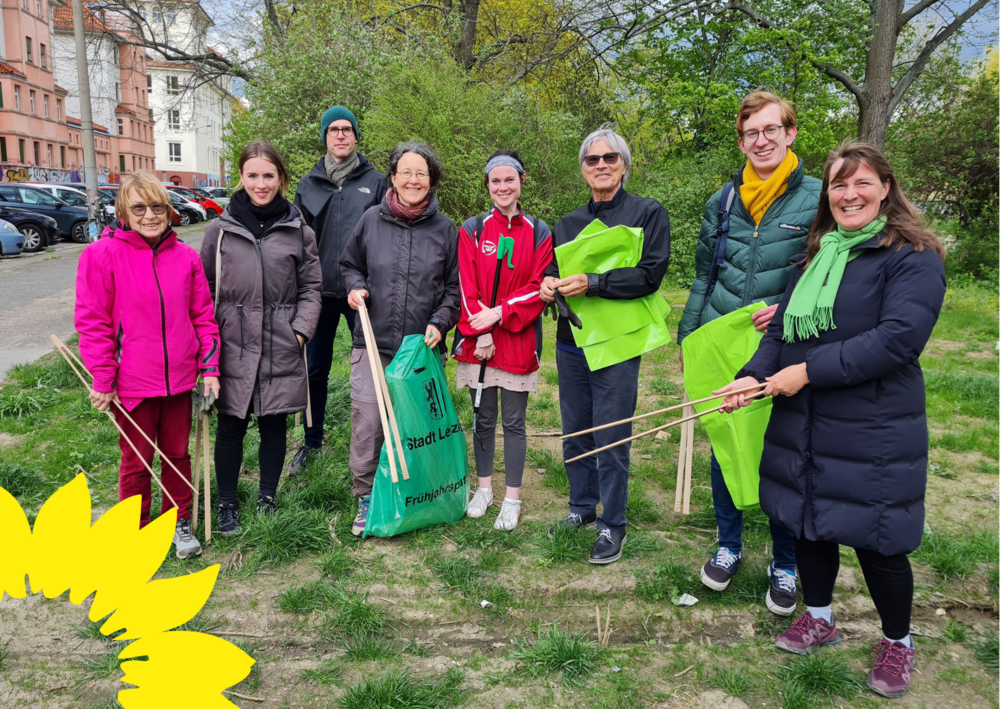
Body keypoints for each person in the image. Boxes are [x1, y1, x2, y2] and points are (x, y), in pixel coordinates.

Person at [716, 140, 946, 698]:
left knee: (878, 538)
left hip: (874, 424)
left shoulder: (912, 256)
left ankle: (898, 641)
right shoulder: (817, 257)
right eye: (840, 185)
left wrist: (808, 372)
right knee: (808, 519)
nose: (850, 194)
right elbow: (783, 332)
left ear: (887, 188)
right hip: (806, 420)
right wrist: (753, 375)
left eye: (862, 182)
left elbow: (897, 341)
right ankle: (818, 615)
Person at [677, 91, 821, 614]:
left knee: (782, 452)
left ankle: (785, 563)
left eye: (770, 130)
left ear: (790, 134)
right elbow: (702, 275)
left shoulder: (818, 199)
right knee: (725, 442)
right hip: (720, 339)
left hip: (784, 345)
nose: (761, 140)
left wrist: (783, 307)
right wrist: (688, 337)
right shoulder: (724, 201)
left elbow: (827, 277)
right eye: (751, 133)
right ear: (741, 140)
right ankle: (729, 544)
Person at [540, 125, 670, 565]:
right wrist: (549, 288)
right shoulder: (567, 224)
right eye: (592, 160)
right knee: (576, 430)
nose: (601, 166)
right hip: (571, 342)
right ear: (582, 170)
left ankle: (612, 522)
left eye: (609, 158)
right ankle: (581, 507)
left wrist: (594, 282)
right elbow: (555, 279)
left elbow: (650, 275)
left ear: (624, 166)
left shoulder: (648, 213)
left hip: (617, 344)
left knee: (611, 435)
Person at [75, 171, 220, 559]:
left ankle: (179, 522)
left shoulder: (186, 257)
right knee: (136, 459)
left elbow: (203, 317)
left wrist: (210, 370)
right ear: (123, 210)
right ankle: (134, 532)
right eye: (139, 207)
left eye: (157, 206)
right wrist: (104, 378)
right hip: (132, 382)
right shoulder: (101, 256)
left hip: (180, 380)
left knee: (176, 454)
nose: (150, 215)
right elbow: (93, 323)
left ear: (168, 210)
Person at [200, 140, 322, 534]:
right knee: (230, 426)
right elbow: (203, 287)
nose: (261, 183)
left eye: (269, 175)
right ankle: (227, 504)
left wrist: (300, 332)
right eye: (252, 175)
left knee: (273, 425)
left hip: (280, 342)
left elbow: (311, 288)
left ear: (282, 179)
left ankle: (267, 497)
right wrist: (209, 342)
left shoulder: (298, 230)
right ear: (241, 177)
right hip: (230, 343)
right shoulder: (219, 231)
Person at [340, 142, 460, 536]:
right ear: (392, 177)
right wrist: (355, 288)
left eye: (421, 173)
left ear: (431, 181)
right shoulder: (371, 220)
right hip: (372, 343)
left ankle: (420, 493)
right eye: (405, 172)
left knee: (416, 425)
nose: (412, 179)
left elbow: (454, 289)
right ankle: (367, 496)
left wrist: (441, 322)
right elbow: (350, 263)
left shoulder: (445, 230)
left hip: (421, 351)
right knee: (369, 424)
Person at [454, 150, 553, 531]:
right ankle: (484, 489)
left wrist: (500, 314)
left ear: (522, 181)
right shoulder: (473, 228)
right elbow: (466, 282)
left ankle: (511, 498)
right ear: (487, 186)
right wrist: (481, 332)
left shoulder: (539, 230)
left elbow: (538, 287)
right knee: (483, 418)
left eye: (509, 179)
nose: (502, 187)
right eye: (495, 181)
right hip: (478, 341)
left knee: (513, 421)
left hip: (517, 338)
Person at [290, 106, 387, 475]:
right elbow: (296, 238)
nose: (341, 135)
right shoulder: (308, 183)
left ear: (356, 136)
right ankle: (311, 441)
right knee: (315, 369)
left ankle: (380, 440)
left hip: (361, 291)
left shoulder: (376, 182)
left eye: (348, 129)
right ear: (325, 136)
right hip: (318, 291)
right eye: (333, 129)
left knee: (372, 365)